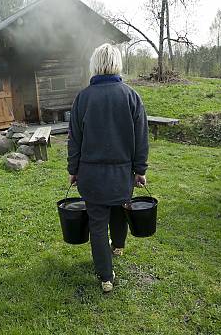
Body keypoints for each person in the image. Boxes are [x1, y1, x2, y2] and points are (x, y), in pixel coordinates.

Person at [67, 43, 149, 292]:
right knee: (119, 208)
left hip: (91, 176)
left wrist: (73, 169)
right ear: (117, 64)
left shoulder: (83, 98)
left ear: (95, 65)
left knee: (98, 224)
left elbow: (74, 139)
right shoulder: (131, 96)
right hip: (121, 173)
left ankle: (106, 277)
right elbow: (141, 137)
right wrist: (140, 169)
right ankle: (118, 247)